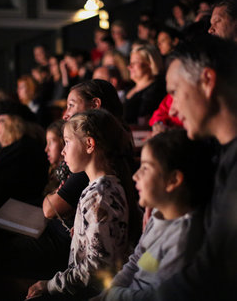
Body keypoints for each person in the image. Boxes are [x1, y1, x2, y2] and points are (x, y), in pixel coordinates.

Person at [119, 34, 237, 301]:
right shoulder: (220, 153)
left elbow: (212, 272)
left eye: (174, 92)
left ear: (207, 81)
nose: (171, 109)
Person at [91, 129, 215, 301]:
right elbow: (136, 260)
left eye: (145, 168)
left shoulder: (182, 241)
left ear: (173, 180)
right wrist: (109, 292)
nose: (135, 176)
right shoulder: (158, 213)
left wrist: (113, 295)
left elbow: (157, 297)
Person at [27, 109, 137, 300]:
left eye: (67, 142)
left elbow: (95, 269)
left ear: (89, 144)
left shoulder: (100, 195)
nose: (63, 151)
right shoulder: (105, 187)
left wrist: (50, 285)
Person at [124, 44, 166, 126]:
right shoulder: (129, 89)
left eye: (134, 63)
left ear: (150, 64)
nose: (129, 67)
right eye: (130, 63)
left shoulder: (156, 90)